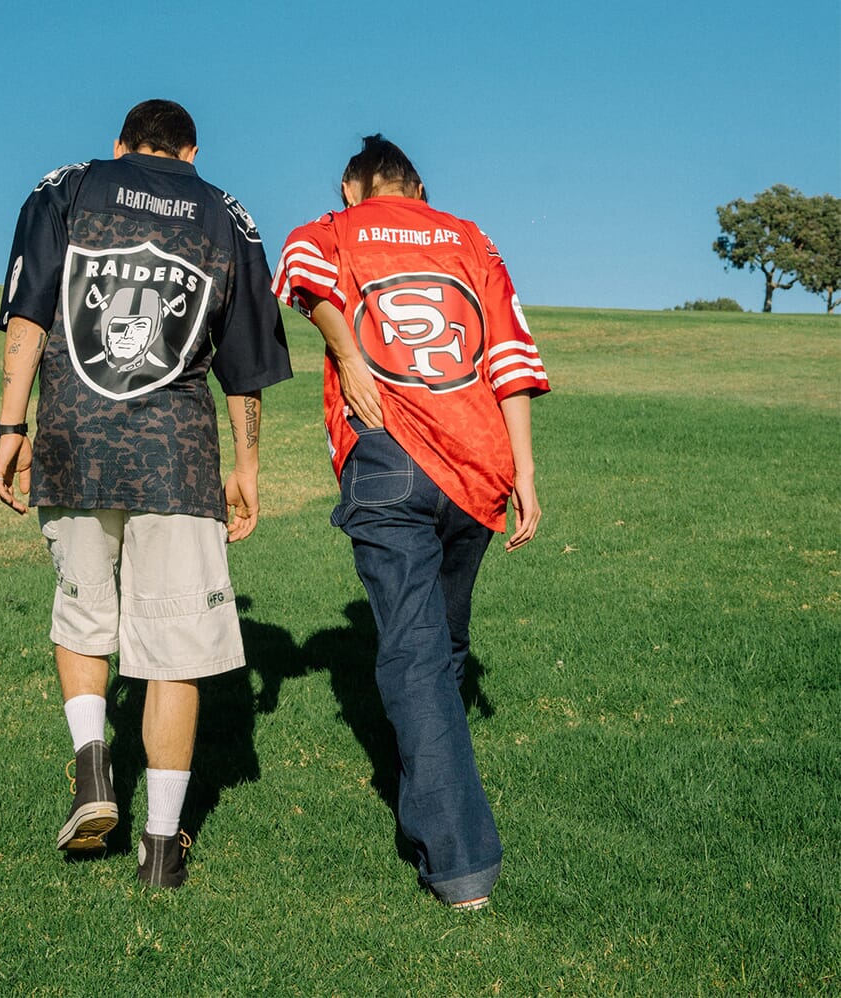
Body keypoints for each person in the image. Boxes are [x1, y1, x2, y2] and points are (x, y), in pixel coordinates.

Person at [0, 99, 292, 888]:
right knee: (174, 655)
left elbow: (28, 318)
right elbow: (246, 362)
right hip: (178, 457)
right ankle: (161, 852)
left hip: (73, 438)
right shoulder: (230, 216)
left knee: (85, 613)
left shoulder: (68, 185)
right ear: (191, 151)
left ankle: (94, 765)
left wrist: (8, 427)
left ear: (122, 142)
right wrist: (248, 466)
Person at [272, 135, 549, 908]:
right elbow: (510, 357)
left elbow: (297, 270)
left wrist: (349, 355)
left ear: (350, 184)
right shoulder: (471, 238)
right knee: (441, 646)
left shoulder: (333, 226)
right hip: (482, 464)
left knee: (420, 654)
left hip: (388, 458)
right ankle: (437, 810)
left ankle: (459, 865)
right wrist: (524, 471)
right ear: (419, 188)